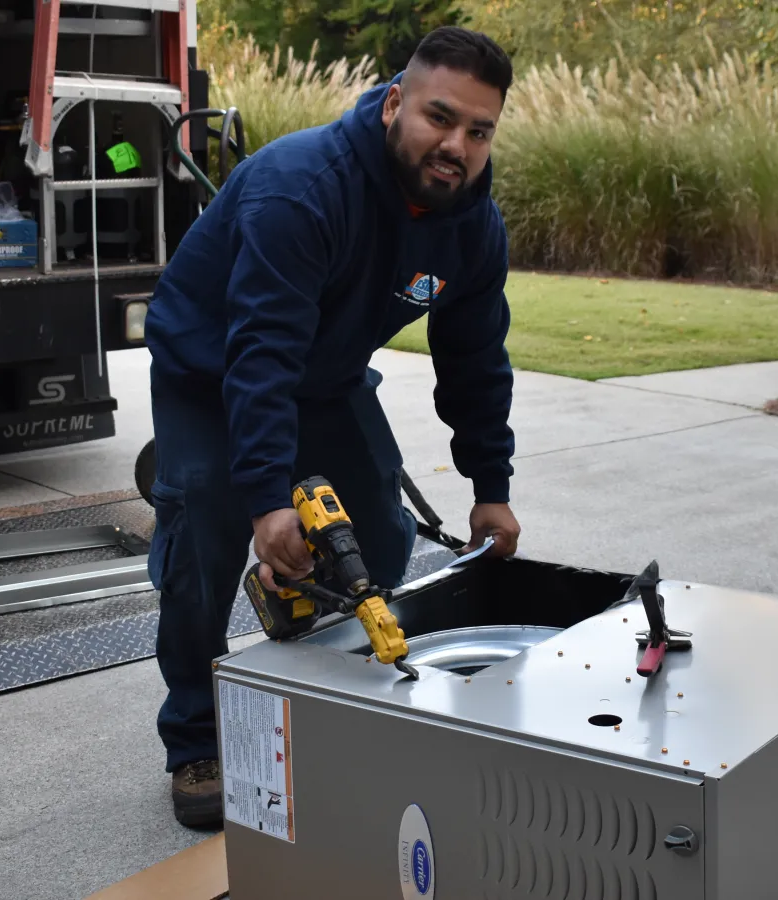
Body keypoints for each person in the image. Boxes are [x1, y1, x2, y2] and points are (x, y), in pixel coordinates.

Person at [140, 26, 521, 827]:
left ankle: (319, 696)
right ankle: (194, 737)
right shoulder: (301, 188)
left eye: (478, 130)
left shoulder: (473, 229)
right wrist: (266, 501)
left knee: (377, 543)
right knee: (208, 524)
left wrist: (492, 488)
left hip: (328, 377)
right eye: (439, 117)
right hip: (212, 372)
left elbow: (477, 359)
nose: (457, 145)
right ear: (393, 104)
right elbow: (260, 355)